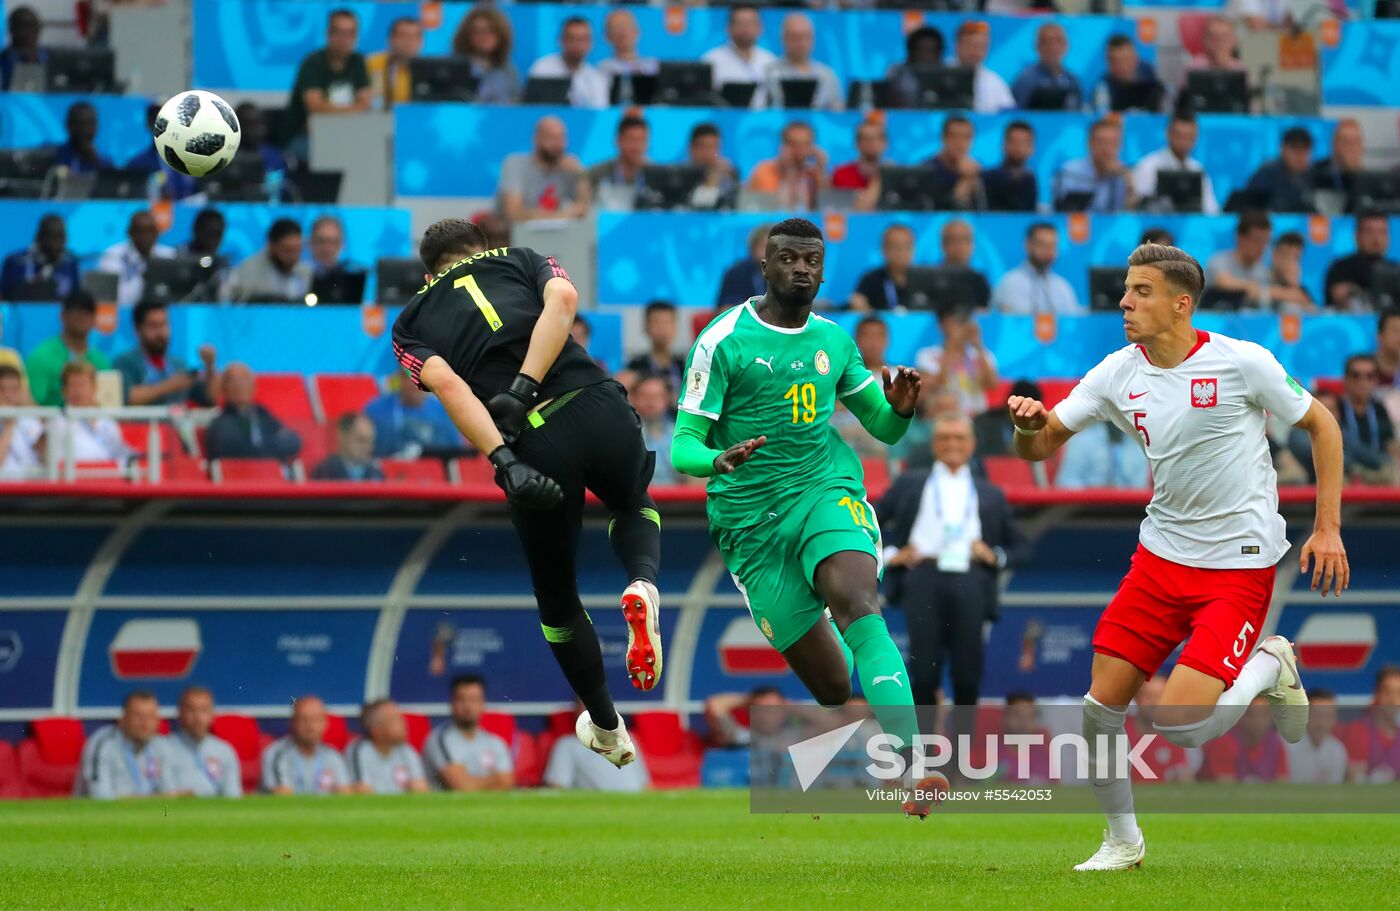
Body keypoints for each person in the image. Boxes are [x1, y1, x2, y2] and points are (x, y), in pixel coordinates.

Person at [1007, 241, 1347, 870]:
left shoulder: (1242, 363)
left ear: (1180, 303)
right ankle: (1122, 842)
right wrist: (1030, 425)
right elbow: (1043, 443)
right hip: (1160, 559)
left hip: (1239, 563)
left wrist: (1326, 529)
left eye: (1140, 291)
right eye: (1126, 290)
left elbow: (1323, 425)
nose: (1124, 302)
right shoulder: (1117, 371)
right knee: (1099, 706)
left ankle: (1273, 664)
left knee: (1181, 726)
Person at [670, 217, 931, 814]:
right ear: (765, 266)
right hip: (751, 523)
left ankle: (914, 767)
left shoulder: (835, 342)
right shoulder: (723, 341)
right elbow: (684, 445)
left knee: (859, 605)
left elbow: (882, 429)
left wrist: (901, 410)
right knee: (834, 685)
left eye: (812, 260)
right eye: (788, 259)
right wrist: (719, 458)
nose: (801, 269)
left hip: (823, 488)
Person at [392, 219, 663, 766]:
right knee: (632, 503)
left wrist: (504, 461)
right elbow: (563, 296)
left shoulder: (409, 322)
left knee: (559, 602)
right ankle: (642, 582)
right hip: (596, 402)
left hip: (532, 445)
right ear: (482, 249)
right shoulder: (519, 257)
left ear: (429, 274)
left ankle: (607, 724)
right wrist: (526, 384)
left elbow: (446, 384)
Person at [879, 413, 1025, 716]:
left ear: (972, 444)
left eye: (959, 438)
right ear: (934, 444)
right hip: (922, 576)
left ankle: (960, 758)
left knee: (967, 674)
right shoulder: (909, 483)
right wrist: (891, 555)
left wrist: (995, 556)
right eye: (944, 438)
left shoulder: (991, 493)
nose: (952, 444)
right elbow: (866, 523)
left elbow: (1020, 545)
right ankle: (922, 754)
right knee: (923, 673)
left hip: (970, 577)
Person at [285, 8, 371, 153]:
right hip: (305, 136)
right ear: (329, 34)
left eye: (351, 33)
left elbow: (365, 102)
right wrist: (351, 112)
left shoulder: (358, 61)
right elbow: (315, 106)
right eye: (340, 32)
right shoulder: (313, 62)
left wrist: (338, 113)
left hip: (345, 135)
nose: (345, 39)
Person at [75, 691, 185, 799]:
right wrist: (151, 799)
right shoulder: (104, 743)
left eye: (150, 716)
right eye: (138, 716)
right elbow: (99, 796)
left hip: (147, 813)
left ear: (158, 721)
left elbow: (170, 792)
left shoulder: (160, 745)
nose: (145, 723)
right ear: (123, 719)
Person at [113, 300, 219, 407]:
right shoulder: (125, 362)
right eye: (153, 326)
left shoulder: (179, 364)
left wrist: (210, 366)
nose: (160, 333)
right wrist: (169, 386)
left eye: (164, 324)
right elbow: (126, 397)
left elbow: (209, 400)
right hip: (140, 423)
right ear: (138, 329)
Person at [423, 675, 514, 790]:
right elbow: (460, 785)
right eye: (462, 700)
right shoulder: (440, 739)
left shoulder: (495, 742)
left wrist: (472, 781)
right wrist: (494, 780)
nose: (468, 706)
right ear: (452, 703)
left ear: (482, 703)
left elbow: (507, 781)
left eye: (474, 700)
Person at [1205, 211, 1307, 311]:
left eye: (1265, 241)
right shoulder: (1219, 261)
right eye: (1257, 240)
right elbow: (1225, 283)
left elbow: (1298, 299)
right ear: (1240, 238)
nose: (1261, 247)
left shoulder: (1263, 271)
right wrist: (1276, 292)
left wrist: (1292, 282)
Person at [25, 290, 111, 408]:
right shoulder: (41, 357)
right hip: (52, 424)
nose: (82, 318)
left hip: (94, 423)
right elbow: (33, 402)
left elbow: (108, 402)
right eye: (76, 312)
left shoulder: (101, 360)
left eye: (87, 313)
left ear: (94, 319)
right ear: (63, 316)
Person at [498, 116, 591, 224]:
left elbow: (583, 210)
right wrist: (563, 215)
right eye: (551, 137)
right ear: (537, 139)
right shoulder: (515, 164)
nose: (557, 144)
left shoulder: (570, 168)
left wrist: (581, 174)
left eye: (561, 138)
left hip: (556, 236)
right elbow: (514, 213)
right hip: (514, 235)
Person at [205, 363, 303, 461]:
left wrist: (261, 446)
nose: (240, 385)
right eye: (233, 380)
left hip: (272, 472)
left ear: (254, 386)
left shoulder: (262, 414)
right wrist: (274, 445)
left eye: (245, 379)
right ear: (224, 388)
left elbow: (293, 441)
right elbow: (243, 452)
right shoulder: (221, 424)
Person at [544, 701, 649, 791]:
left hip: (637, 806)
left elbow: (644, 785)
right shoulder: (567, 745)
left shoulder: (628, 737)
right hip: (599, 808)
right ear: (578, 712)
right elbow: (557, 788)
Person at [916, 307, 999, 419]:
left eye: (964, 321)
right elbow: (939, 384)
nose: (961, 326)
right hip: (944, 416)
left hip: (978, 416)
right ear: (941, 325)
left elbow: (992, 384)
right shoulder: (927, 355)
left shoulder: (982, 354)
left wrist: (978, 344)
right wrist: (951, 344)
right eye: (954, 321)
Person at [1131, 112, 1221, 215]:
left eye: (1189, 136)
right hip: (1157, 227)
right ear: (1168, 133)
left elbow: (1211, 209)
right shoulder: (1148, 166)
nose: (1183, 141)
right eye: (1179, 135)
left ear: (1196, 138)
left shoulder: (1198, 169)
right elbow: (1141, 207)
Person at [261, 695, 352, 795]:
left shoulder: (333, 755)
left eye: (316, 719)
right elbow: (281, 794)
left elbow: (345, 792)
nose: (310, 726)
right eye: (303, 719)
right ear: (293, 723)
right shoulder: (276, 754)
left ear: (326, 723)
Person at [991, 223, 1081, 315]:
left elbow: (1074, 322)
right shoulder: (1010, 283)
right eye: (1042, 244)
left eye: (1052, 245)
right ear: (1027, 245)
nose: (1048, 251)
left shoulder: (1062, 287)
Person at [363, 375, 461, 458]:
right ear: (400, 379)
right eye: (409, 379)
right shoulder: (376, 411)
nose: (414, 385)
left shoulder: (442, 412)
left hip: (434, 473)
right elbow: (367, 452)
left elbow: (456, 453)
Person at [170, 686, 242, 798]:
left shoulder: (224, 750)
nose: (198, 717)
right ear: (180, 713)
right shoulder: (164, 748)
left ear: (212, 714)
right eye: (192, 710)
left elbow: (233, 795)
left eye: (204, 710)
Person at [1336, 353, 1398, 481]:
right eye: (1356, 376)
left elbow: (1390, 444)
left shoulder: (1380, 409)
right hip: (1345, 473)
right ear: (1345, 379)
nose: (1363, 382)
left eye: (1369, 376)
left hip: (1377, 473)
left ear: (1376, 381)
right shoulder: (1336, 407)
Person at [49, 361, 126, 465]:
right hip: (73, 477)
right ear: (64, 391)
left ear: (94, 387)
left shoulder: (107, 421)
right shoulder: (58, 421)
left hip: (107, 476)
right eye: (73, 385)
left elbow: (119, 454)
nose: (77, 391)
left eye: (82, 385)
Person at [1053, 118, 1137, 213]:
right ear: (1089, 143)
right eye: (1101, 142)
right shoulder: (1069, 172)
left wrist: (1129, 184)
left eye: (1113, 143)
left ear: (1120, 146)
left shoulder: (1124, 174)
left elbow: (1129, 216)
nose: (1106, 148)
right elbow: (1061, 211)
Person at [702, 5, 777, 109]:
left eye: (750, 23)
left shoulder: (770, 60)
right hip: (723, 119)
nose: (745, 28)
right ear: (728, 28)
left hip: (761, 121)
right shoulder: (711, 60)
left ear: (760, 28)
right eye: (740, 23)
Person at [1200, 696, 1290, 782]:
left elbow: (1282, 782)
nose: (1258, 721)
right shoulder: (1223, 743)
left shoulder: (1275, 745)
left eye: (1264, 715)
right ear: (1241, 716)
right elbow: (1225, 786)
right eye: (1252, 715)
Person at [348, 699, 429, 794]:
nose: (404, 723)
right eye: (394, 720)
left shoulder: (406, 749)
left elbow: (421, 789)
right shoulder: (359, 750)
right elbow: (362, 792)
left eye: (401, 718)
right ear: (376, 730)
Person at [222, 219, 313, 303]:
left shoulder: (305, 271)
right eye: (287, 250)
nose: (293, 256)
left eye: (297, 250)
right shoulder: (248, 272)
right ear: (271, 246)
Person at [766, 13, 843, 112]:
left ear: (812, 39)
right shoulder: (769, 73)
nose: (800, 42)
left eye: (805, 36)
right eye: (794, 36)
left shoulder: (827, 75)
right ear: (783, 38)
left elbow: (837, 113)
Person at [98, 210, 175, 309]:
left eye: (151, 231)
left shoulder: (170, 256)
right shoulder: (112, 256)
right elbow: (116, 298)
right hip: (124, 313)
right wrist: (146, 276)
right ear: (130, 232)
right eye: (141, 231)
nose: (147, 236)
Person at [527, 17, 609, 109]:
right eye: (572, 39)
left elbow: (599, 112)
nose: (578, 44)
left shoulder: (596, 78)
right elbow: (532, 108)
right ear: (561, 40)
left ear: (591, 43)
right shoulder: (542, 69)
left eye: (583, 39)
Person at [746, 121, 826, 211]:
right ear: (784, 146)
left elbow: (827, 208)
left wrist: (821, 172)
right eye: (795, 145)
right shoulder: (765, 170)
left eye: (806, 144)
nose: (801, 151)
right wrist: (789, 172)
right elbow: (776, 208)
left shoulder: (812, 174)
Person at [1325, 212, 1397, 312]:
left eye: (1382, 232)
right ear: (1357, 236)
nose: (1376, 238)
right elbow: (1339, 296)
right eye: (1369, 232)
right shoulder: (1341, 267)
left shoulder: (1395, 268)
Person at [1, 213, 81, 301]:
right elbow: (3, 297)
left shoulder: (70, 263)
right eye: (55, 237)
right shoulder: (16, 262)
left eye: (63, 236)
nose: (61, 242)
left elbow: (76, 300)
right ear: (40, 237)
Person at [451, 4, 520, 105]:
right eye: (478, 31)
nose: (484, 37)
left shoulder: (509, 72)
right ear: (467, 35)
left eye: (490, 31)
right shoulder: (454, 70)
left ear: (501, 35)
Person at [1055, 419, 1150, 489]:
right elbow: (1066, 484)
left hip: (1128, 512)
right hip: (1085, 511)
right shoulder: (1082, 440)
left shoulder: (1138, 443)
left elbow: (1140, 487)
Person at [1345, 665, 1400, 783]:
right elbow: (1355, 781)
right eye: (1388, 693)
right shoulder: (1359, 730)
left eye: (1399, 693)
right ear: (1377, 694)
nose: (1394, 701)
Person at [1011, 23, 1082, 111]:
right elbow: (1018, 116)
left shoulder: (1072, 80)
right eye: (1046, 42)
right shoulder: (1026, 80)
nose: (1052, 47)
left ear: (1066, 46)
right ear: (1037, 47)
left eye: (1058, 41)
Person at [1243, 127, 1316, 213]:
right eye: (1295, 151)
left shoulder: (1315, 176)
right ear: (1283, 149)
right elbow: (1248, 206)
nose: (1299, 157)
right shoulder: (1266, 174)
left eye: (1304, 152)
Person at [848, 223, 916, 312]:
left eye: (906, 246)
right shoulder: (870, 280)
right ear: (884, 249)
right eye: (895, 246)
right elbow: (858, 306)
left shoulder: (924, 280)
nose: (901, 252)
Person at [1286, 689, 1348, 785]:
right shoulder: (1285, 746)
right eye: (1316, 715)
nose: (1321, 723)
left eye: (1328, 716)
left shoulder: (1338, 750)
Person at [1092, 34, 1165, 113]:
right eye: (1115, 61)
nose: (1123, 66)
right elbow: (1102, 117)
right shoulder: (1103, 88)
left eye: (1126, 59)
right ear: (1108, 63)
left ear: (1136, 58)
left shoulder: (1149, 76)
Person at [953, 20, 1013, 114]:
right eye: (970, 45)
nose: (974, 51)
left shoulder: (995, 82)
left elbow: (1008, 116)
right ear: (957, 45)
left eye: (980, 46)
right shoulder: (938, 75)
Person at [926, 115, 985, 211]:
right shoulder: (927, 171)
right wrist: (964, 181)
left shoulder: (978, 171)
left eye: (966, 137)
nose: (960, 143)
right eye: (954, 136)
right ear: (943, 138)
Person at [624, 300, 685, 392]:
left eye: (667, 322)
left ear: (675, 327)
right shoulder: (635, 367)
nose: (662, 329)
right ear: (646, 327)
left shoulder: (684, 366)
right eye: (656, 322)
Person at [589, 114, 650, 204]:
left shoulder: (656, 174)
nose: (636, 145)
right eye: (630, 139)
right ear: (618, 140)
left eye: (641, 140)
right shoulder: (597, 173)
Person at [829, 120, 886, 213]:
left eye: (877, 138)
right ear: (857, 143)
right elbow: (855, 212)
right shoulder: (841, 173)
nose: (872, 143)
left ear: (885, 143)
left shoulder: (894, 174)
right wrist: (880, 177)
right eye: (866, 138)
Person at [631, 376, 678, 485]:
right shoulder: (623, 435)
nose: (650, 401)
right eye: (644, 396)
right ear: (633, 398)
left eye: (657, 396)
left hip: (675, 497)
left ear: (667, 399)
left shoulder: (678, 434)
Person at [366, 16, 422, 109]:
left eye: (414, 36)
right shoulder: (371, 63)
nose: (409, 41)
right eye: (403, 35)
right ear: (391, 39)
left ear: (421, 42)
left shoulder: (427, 70)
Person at [982, 121, 1037, 212]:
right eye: (1013, 141)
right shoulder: (987, 177)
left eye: (1023, 143)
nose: (1018, 147)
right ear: (1003, 145)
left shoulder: (1032, 179)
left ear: (1032, 148)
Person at [311, 412, 384, 481]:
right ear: (342, 437)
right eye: (361, 440)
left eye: (370, 442)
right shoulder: (324, 473)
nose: (368, 447)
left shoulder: (376, 475)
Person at [885, 26, 945, 110]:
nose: (926, 55)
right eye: (921, 49)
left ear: (939, 52)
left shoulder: (949, 74)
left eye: (931, 50)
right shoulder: (897, 73)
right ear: (911, 52)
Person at [938, 219, 992, 311]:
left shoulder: (979, 281)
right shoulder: (932, 278)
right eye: (954, 239)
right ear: (943, 245)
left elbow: (984, 314)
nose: (960, 245)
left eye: (965, 239)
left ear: (973, 245)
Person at [308, 215, 364, 302]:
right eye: (321, 241)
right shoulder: (299, 276)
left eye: (333, 242)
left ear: (342, 244)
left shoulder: (355, 277)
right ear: (311, 242)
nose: (326, 248)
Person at [686, 122, 740, 211]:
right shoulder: (679, 179)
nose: (708, 155)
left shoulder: (729, 179)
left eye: (713, 147)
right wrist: (711, 183)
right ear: (691, 148)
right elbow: (699, 209)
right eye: (703, 147)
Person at [0, 364, 41, 479]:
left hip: (32, 489)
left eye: (14, 389)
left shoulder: (31, 420)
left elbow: (47, 458)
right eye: (2, 390)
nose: (8, 395)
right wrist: (9, 426)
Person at [597, 8, 658, 85]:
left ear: (637, 31)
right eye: (616, 28)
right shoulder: (603, 70)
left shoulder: (654, 67)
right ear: (607, 36)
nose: (623, 32)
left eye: (627, 26)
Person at [51, 101, 113, 174]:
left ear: (96, 126)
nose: (85, 130)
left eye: (90, 124)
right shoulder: (54, 155)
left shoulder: (105, 161)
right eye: (80, 124)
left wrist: (95, 160)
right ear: (68, 125)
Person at [716, 224, 769, 307]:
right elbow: (726, 309)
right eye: (764, 247)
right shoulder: (736, 273)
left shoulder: (785, 273)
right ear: (753, 248)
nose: (768, 253)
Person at [232, 103, 291, 177]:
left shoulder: (275, 156)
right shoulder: (227, 157)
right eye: (247, 124)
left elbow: (283, 184)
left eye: (256, 123)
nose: (252, 130)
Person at [177, 208, 231, 288]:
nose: (212, 240)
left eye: (217, 234)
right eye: (208, 233)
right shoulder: (179, 256)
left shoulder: (222, 264)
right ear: (196, 230)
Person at [0, 5, 47, 91]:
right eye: (23, 27)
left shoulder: (49, 56)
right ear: (12, 30)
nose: (29, 33)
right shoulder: (4, 59)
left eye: (33, 27)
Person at [1269, 231, 1315, 312]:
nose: (1290, 263)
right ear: (1274, 255)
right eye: (1286, 256)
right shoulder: (1261, 278)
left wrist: (1293, 284)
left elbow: (1313, 315)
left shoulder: (1301, 290)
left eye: (1296, 258)